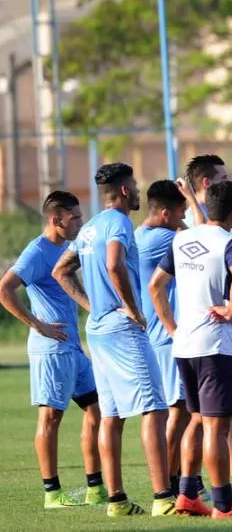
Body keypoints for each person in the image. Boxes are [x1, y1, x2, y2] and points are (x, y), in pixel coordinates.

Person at [52, 163, 174, 517]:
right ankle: (163, 497)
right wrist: (132, 309)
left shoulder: (88, 228)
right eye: (135, 187)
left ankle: (117, 500)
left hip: (99, 330)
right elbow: (114, 264)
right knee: (154, 409)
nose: (138, 192)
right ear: (124, 191)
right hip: (122, 330)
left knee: (112, 414)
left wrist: (94, 307)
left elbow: (61, 270)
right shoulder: (119, 222)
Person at [150, 180, 232, 519]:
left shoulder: (181, 238)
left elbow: (156, 285)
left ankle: (186, 497)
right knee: (216, 427)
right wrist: (231, 310)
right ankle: (224, 505)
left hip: (184, 346)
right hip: (214, 345)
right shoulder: (231, 242)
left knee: (196, 421)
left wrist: (172, 328)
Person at [0, 191, 108, 509]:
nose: (80, 221)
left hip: (73, 348)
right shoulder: (37, 251)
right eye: (74, 217)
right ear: (56, 220)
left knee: (97, 410)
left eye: (80, 215)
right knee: (50, 418)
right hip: (51, 349)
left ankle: (95, 487)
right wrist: (37, 324)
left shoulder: (67, 248)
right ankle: (52, 493)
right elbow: (4, 289)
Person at [135, 180, 204, 502]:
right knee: (178, 413)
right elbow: (206, 234)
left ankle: (174, 479)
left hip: (159, 337)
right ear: (165, 214)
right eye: (179, 213)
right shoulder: (165, 239)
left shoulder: (140, 235)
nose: (183, 218)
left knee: (180, 412)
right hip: (167, 337)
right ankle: (171, 482)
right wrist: (192, 196)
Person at [181, 154, 229, 227]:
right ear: (207, 182)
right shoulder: (191, 220)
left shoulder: (215, 213)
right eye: (223, 178)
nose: (228, 183)